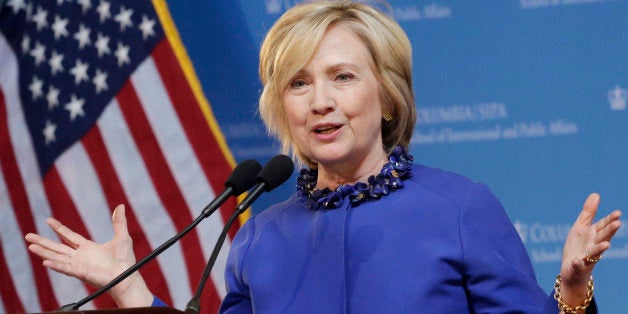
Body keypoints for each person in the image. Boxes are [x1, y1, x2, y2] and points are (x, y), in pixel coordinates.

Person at [25, 1, 622, 313]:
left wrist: (571, 292)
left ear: (387, 97)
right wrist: (130, 294)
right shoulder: (258, 237)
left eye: (341, 76)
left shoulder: (459, 207)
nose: (321, 102)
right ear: (280, 107)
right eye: (298, 83)